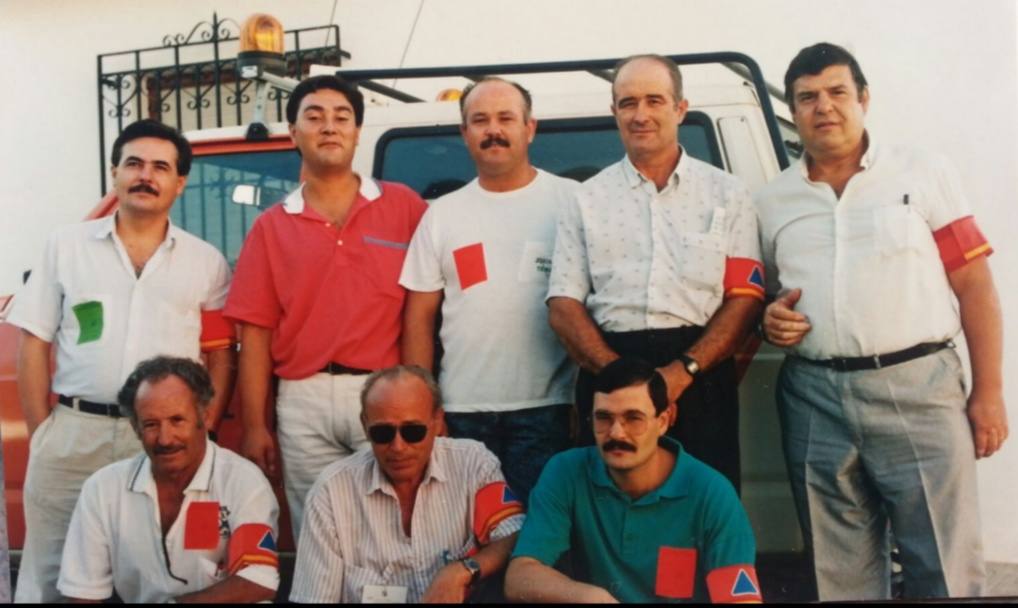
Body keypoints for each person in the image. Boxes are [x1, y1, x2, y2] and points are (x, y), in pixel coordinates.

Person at [756, 42, 1008, 600]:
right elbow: (767, 295)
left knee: (941, 562)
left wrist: (988, 391)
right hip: (813, 396)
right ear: (792, 111)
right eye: (807, 98)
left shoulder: (923, 171)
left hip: (919, 386)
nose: (824, 107)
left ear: (864, 98)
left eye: (837, 92)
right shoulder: (772, 199)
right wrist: (770, 318)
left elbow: (975, 285)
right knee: (835, 569)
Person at [7, 119, 236, 602]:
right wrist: (43, 431)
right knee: (50, 570)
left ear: (180, 182)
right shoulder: (65, 246)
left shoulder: (205, 261)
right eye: (133, 163)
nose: (145, 175)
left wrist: (203, 428)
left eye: (160, 166)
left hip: (161, 438)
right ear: (114, 173)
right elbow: (34, 343)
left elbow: (219, 357)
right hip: (73, 434)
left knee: (157, 569)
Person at [546, 54, 764, 489]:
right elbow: (563, 305)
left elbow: (745, 298)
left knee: (704, 504)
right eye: (628, 103)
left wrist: (682, 373)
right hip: (609, 371)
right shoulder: (585, 200)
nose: (641, 115)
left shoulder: (728, 194)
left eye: (654, 100)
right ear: (614, 113)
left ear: (680, 108)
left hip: (699, 374)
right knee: (611, 512)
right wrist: (622, 381)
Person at [224, 75, 428, 537]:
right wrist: (255, 426)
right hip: (303, 399)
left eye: (342, 117)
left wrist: (421, 400)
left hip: (384, 393)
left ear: (358, 132)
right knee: (319, 531)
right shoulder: (271, 227)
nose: (329, 127)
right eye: (314, 117)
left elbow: (425, 313)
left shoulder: (405, 208)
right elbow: (254, 333)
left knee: (394, 526)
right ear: (294, 134)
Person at [400, 77, 578, 504]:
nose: (493, 130)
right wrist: (424, 408)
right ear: (465, 133)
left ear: (529, 128)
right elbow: (419, 318)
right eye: (479, 120)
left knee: (539, 540)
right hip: (462, 414)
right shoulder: (442, 216)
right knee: (465, 536)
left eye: (505, 118)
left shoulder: (572, 202)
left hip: (550, 410)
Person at [504, 357, 761, 603]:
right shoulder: (566, 471)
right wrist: (592, 598)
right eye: (603, 418)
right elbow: (520, 576)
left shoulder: (711, 492)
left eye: (633, 419)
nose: (616, 433)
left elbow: (740, 600)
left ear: (664, 420)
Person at [289, 366, 524, 603]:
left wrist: (463, 570)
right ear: (364, 426)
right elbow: (314, 598)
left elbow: (513, 535)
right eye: (383, 433)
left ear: (437, 421)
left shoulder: (473, 465)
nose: (398, 447)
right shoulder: (330, 493)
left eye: (413, 431)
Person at [58, 357, 278, 603]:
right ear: (135, 427)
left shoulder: (242, 481)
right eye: (151, 424)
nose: (165, 439)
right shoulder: (103, 489)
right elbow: (82, 593)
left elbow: (258, 581)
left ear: (205, 417)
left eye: (177, 420)